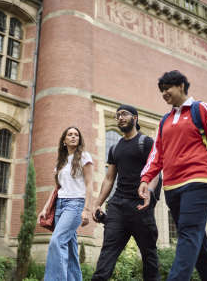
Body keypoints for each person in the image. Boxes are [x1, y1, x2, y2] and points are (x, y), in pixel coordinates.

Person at [138, 70, 207, 281]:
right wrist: (145, 179)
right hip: (172, 188)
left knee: (188, 233)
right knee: (197, 239)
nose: (164, 93)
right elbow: (157, 153)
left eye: (167, 88)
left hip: (199, 180)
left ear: (181, 86)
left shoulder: (201, 109)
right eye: (161, 90)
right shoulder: (165, 120)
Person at [91, 104, 160, 281]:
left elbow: (155, 173)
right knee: (107, 253)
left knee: (149, 256)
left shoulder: (145, 143)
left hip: (140, 207)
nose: (120, 117)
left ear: (135, 118)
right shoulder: (115, 148)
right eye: (117, 115)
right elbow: (109, 179)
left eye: (124, 114)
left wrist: (149, 194)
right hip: (118, 206)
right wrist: (98, 202)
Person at [38, 126, 93, 281]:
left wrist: (86, 210)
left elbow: (89, 185)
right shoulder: (61, 162)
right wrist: (45, 208)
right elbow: (57, 187)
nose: (73, 136)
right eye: (70, 134)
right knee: (70, 248)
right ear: (64, 140)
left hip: (75, 204)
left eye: (76, 134)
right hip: (60, 205)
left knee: (57, 240)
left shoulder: (84, 157)